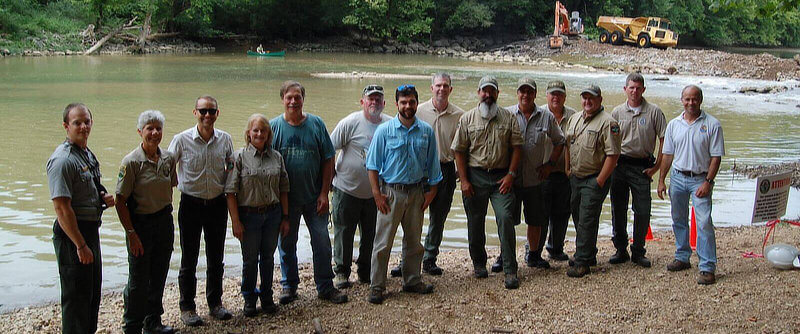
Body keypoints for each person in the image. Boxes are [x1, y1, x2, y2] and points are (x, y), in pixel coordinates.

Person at [270, 81, 348, 305]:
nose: (293, 101)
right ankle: (289, 285)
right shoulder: (274, 127)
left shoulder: (316, 124)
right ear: (283, 99)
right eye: (289, 97)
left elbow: (328, 159)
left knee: (322, 242)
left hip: (315, 197)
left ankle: (325, 286)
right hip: (286, 200)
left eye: (297, 97)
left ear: (303, 99)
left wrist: (324, 193)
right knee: (286, 243)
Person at [365, 84, 442, 304]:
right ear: (397, 104)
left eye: (411, 102)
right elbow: (372, 165)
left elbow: (433, 167)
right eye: (403, 102)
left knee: (414, 242)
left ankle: (412, 281)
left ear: (417, 103)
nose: (408, 106)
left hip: (417, 192)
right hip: (391, 193)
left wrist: (431, 193)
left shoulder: (426, 131)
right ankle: (377, 286)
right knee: (382, 242)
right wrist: (377, 195)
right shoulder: (384, 131)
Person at [47, 103, 115, 334]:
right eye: (77, 122)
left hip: (89, 231)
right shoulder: (62, 160)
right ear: (66, 126)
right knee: (76, 299)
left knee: (91, 295)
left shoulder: (84, 153)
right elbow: (62, 209)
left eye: (87, 121)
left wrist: (101, 196)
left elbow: (85, 188)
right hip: (72, 236)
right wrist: (80, 245)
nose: (83, 126)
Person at [451, 75, 523, 289]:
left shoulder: (509, 118)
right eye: (484, 91)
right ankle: (479, 263)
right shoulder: (467, 119)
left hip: (502, 177)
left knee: (506, 217)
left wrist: (511, 174)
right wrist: (463, 180)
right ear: (478, 93)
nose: (488, 95)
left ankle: (510, 269)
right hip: (475, 176)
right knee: (475, 221)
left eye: (492, 91)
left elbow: (517, 147)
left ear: (498, 94)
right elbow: (459, 150)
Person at [168, 96, 234, 326]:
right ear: (194, 112)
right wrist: (174, 178)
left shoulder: (225, 139)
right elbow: (167, 165)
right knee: (189, 257)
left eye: (211, 111)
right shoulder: (181, 139)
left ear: (218, 113)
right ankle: (187, 307)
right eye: (203, 111)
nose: (207, 115)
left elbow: (231, 166)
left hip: (217, 203)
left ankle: (215, 303)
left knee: (216, 257)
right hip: (191, 204)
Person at [391, 72, 464, 277]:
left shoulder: (460, 115)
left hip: (446, 169)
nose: (441, 89)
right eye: (438, 85)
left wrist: (460, 170)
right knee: (412, 218)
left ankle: (429, 258)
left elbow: (462, 146)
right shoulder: (417, 110)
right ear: (431, 88)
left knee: (439, 217)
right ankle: (406, 259)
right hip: (420, 171)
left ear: (451, 89)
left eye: (445, 86)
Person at [115, 110, 177, 334]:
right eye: (149, 128)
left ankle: (152, 321)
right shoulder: (131, 163)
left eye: (158, 128)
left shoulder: (169, 158)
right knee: (138, 279)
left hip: (164, 221)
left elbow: (170, 186)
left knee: (159, 273)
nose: (154, 133)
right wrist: (131, 233)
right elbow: (120, 201)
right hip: (140, 224)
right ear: (140, 132)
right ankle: (132, 325)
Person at [657, 85, 724, 285]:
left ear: (700, 100)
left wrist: (708, 182)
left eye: (694, 99)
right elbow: (667, 154)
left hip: (700, 178)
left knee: (703, 222)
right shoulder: (674, 125)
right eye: (687, 99)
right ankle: (682, 256)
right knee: (678, 218)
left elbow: (716, 157)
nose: (691, 103)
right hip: (677, 177)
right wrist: (661, 180)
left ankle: (707, 266)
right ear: (682, 100)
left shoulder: (712, 124)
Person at [225, 114, 290, 316]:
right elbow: (230, 191)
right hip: (249, 216)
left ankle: (267, 296)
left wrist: (285, 217)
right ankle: (249, 298)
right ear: (248, 133)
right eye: (255, 130)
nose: (259, 134)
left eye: (263, 130)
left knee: (268, 258)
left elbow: (283, 189)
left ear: (268, 134)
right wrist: (235, 221)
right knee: (250, 260)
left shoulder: (277, 157)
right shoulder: (239, 157)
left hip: (272, 214)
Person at [330, 84, 392, 289]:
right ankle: (341, 272)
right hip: (346, 189)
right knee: (343, 233)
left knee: (371, 234)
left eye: (378, 99)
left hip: (376, 194)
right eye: (370, 99)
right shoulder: (350, 122)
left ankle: (365, 271)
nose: (374, 102)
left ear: (384, 103)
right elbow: (330, 149)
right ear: (362, 102)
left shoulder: (390, 124)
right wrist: (329, 179)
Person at [505, 77, 565, 269]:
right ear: (517, 94)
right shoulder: (507, 114)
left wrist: (550, 164)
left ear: (535, 94)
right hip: (511, 179)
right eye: (522, 91)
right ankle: (505, 256)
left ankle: (533, 254)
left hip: (535, 179)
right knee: (506, 220)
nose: (526, 95)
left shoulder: (546, 117)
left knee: (536, 220)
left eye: (529, 91)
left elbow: (560, 141)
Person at [609, 73, 667, 268]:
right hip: (620, 165)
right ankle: (620, 248)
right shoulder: (617, 112)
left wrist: (656, 167)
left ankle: (639, 250)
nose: (634, 91)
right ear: (625, 89)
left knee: (642, 210)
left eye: (638, 87)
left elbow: (664, 141)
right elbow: (610, 141)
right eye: (631, 87)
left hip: (643, 167)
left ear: (643, 89)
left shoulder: (654, 112)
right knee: (618, 209)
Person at [563, 85, 621, 278]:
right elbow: (567, 144)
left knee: (587, 218)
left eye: (592, 98)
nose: (588, 102)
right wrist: (567, 168)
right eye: (585, 98)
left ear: (600, 100)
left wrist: (600, 180)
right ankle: (589, 253)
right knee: (578, 215)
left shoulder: (608, 123)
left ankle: (582, 263)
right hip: (576, 177)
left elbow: (613, 155)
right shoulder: (575, 118)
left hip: (594, 177)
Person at [540, 80, 577, 262]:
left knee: (562, 213)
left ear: (564, 96)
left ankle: (556, 248)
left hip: (565, 174)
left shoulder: (574, 116)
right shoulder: (538, 113)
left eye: (559, 94)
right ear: (546, 95)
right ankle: (534, 249)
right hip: (541, 173)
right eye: (552, 94)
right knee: (540, 214)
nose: (556, 97)